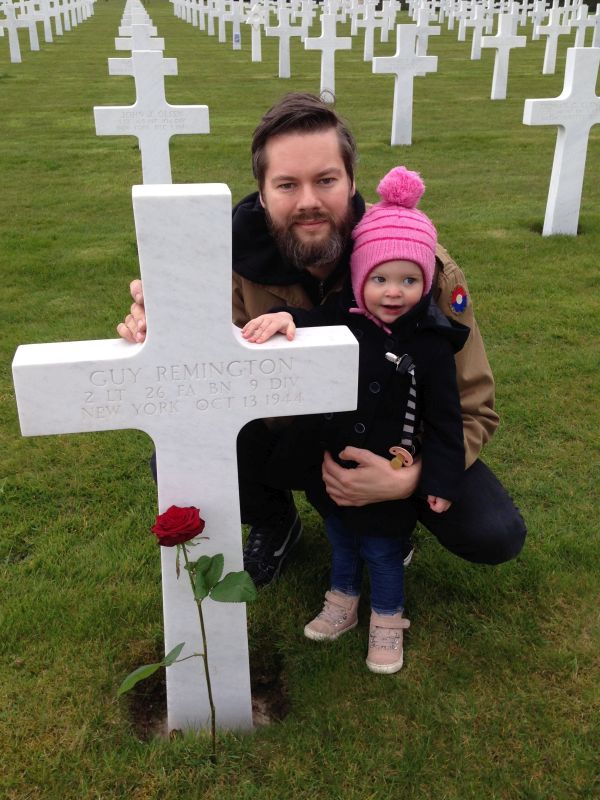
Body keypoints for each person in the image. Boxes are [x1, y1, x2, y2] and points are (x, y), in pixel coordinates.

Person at [117, 92, 526, 587]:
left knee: (493, 532)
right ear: (263, 194)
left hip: (394, 435)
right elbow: (198, 375)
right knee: (184, 455)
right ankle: (274, 519)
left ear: (352, 182)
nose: (309, 201)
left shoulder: (416, 266)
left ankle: (387, 517)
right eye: (287, 184)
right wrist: (155, 327)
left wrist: (409, 476)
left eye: (326, 180)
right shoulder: (224, 262)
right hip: (292, 432)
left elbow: (473, 405)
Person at [241, 166, 469, 673]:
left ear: (426, 283)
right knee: (342, 538)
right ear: (360, 278)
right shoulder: (348, 318)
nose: (393, 292)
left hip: (393, 464)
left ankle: (388, 622)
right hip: (337, 461)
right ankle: (342, 602)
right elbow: (313, 320)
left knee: (384, 551)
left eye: (410, 280)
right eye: (380, 279)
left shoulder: (432, 344)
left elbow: (450, 418)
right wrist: (287, 318)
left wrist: (433, 477)